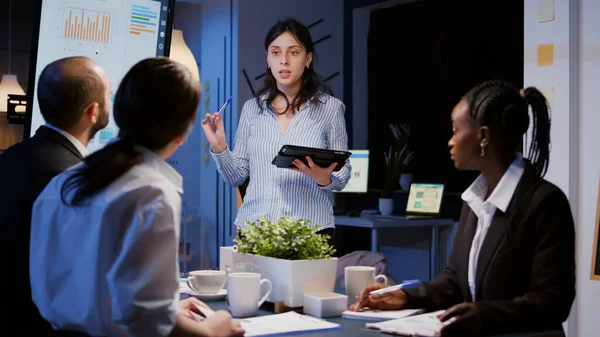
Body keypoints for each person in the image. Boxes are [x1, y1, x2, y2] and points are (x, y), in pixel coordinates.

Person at [29, 57, 244, 337]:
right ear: (183, 131)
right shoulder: (152, 193)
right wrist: (211, 330)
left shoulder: (63, 183)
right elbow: (147, 319)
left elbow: (95, 292)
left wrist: (166, 311)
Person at [350, 80, 575, 337]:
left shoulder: (545, 202)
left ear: (483, 137)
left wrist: (483, 315)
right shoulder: (475, 199)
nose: (450, 141)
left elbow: (552, 302)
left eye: (456, 130)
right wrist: (403, 296)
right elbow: (455, 281)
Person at [201, 18, 351, 243]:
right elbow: (237, 176)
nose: (284, 61)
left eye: (293, 52)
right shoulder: (252, 109)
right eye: (276, 52)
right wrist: (219, 147)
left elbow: (343, 173)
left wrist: (324, 178)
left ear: (307, 59)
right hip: (255, 230)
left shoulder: (330, 108)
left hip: (310, 232)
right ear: (268, 59)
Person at [0, 56, 110, 335]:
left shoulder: (9, 159)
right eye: (108, 94)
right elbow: (90, 285)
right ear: (93, 111)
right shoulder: (79, 180)